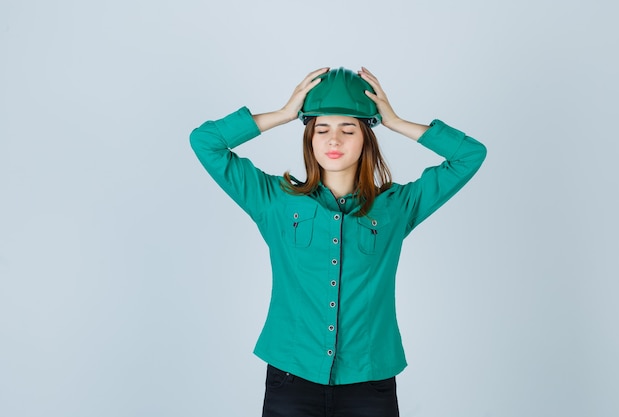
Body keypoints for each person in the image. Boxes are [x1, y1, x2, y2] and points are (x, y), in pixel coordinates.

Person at [190, 67, 487, 417]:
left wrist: (393, 121)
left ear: (366, 138)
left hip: (369, 383)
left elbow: (470, 155)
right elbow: (205, 142)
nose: (334, 140)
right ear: (309, 138)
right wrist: (285, 114)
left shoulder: (395, 208)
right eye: (322, 129)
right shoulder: (275, 201)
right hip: (291, 378)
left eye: (348, 129)